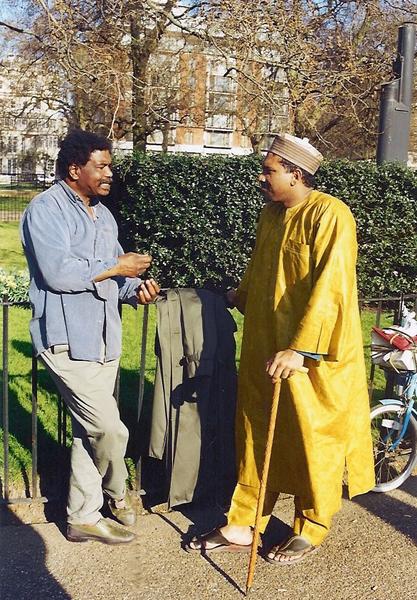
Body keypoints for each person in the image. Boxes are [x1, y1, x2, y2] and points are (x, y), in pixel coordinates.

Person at [188, 133, 375, 563]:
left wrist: (301, 349)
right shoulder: (271, 215)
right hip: (264, 345)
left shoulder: (331, 214)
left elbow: (333, 288)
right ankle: (243, 522)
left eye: (269, 170)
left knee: (313, 437)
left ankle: (311, 526)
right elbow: (261, 271)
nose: (261, 177)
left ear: (296, 173)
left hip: (310, 356)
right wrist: (235, 296)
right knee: (256, 431)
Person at [20, 129, 160, 545]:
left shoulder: (104, 215)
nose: (109, 173)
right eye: (101, 165)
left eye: (109, 165)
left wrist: (136, 289)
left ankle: (82, 515)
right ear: (74, 168)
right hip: (66, 338)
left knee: (90, 430)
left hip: (104, 340)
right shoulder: (45, 210)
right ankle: (117, 492)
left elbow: (110, 281)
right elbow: (59, 274)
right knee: (110, 429)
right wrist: (118, 267)